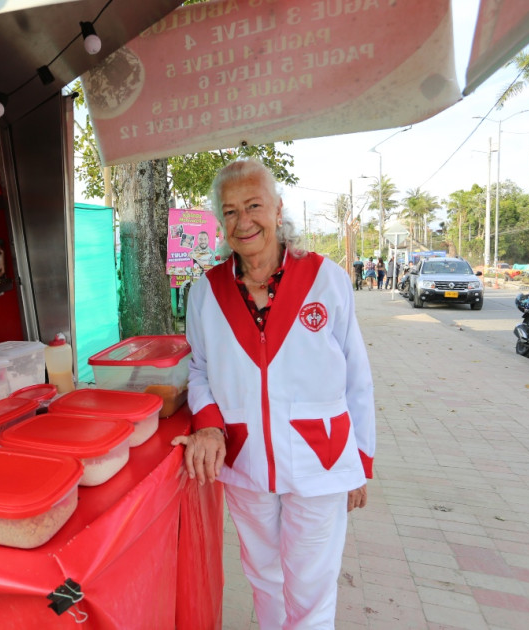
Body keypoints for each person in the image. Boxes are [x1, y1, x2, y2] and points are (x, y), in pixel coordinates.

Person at [172, 159, 375, 629]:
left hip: (320, 456)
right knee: (263, 577)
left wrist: (359, 461)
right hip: (245, 459)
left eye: (254, 205)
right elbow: (198, 369)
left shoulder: (328, 279)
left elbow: (357, 376)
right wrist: (208, 424)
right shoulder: (206, 291)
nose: (243, 222)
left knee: (310, 588)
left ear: (278, 209)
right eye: (229, 211)